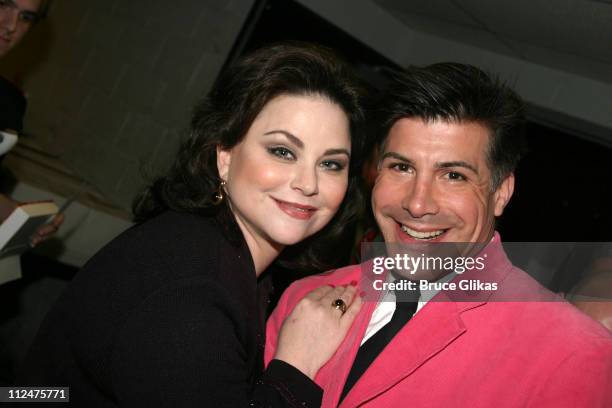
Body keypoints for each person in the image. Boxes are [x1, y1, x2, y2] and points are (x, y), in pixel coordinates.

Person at [16, 43, 367, 407]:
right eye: (282, 151)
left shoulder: (211, 246)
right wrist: (297, 365)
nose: (308, 183)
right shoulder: (191, 289)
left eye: (331, 164)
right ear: (225, 156)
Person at [265, 63, 612, 407]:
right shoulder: (306, 299)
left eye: (454, 176)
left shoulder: (572, 351)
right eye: (401, 167)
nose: (417, 204)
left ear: (501, 193)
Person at [1, 0, 62, 243]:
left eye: (25, 17)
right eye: (3, 4)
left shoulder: (9, 104)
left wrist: (18, 218)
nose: (11, 25)